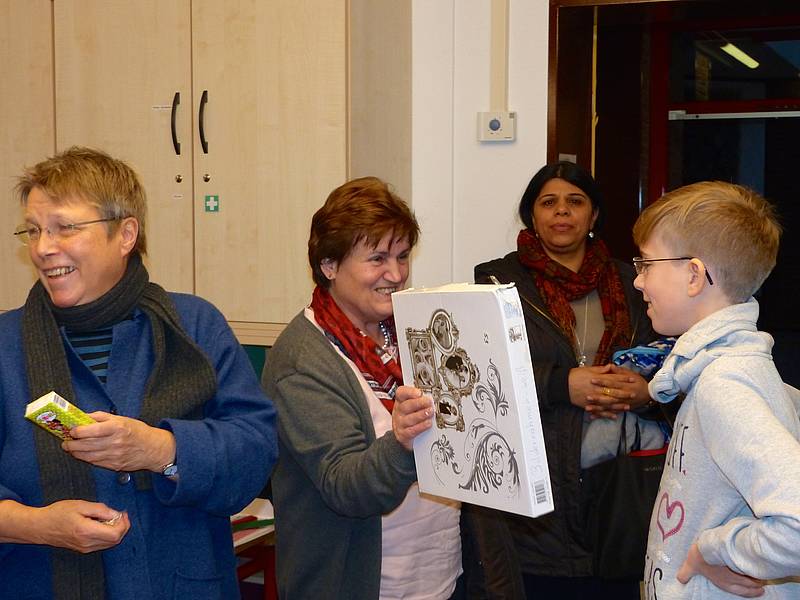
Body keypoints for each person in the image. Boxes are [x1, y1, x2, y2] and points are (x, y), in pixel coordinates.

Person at [0, 147, 278, 600]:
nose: (43, 248)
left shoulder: (195, 327)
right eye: (33, 230)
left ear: (126, 233)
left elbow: (255, 453)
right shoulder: (5, 346)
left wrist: (160, 449)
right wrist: (37, 525)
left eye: (65, 227)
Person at [262, 177, 462, 599]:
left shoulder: (413, 330)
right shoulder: (303, 358)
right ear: (329, 266)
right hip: (358, 584)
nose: (396, 274)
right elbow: (344, 486)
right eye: (377, 259)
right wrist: (402, 442)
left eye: (402, 256)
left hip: (438, 573)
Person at [468, 161, 660, 599]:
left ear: (594, 215)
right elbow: (481, 374)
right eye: (548, 202)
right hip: (539, 482)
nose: (562, 211)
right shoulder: (498, 281)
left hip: (620, 481)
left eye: (575, 201)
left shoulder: (634, 281)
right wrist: (561, 384)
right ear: (531, 215)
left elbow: (667, 360)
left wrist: (647, 392)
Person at [637, 181, 800, 599]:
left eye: (647, 264)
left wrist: (716, 551)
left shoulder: (725, 385)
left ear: (694, 275)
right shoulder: (726, 372)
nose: (638, 281)